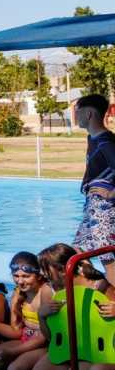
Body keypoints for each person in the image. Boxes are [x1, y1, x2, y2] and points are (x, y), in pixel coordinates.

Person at [24, 243, 108, 370]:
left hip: (91, 354)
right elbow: (51, 338)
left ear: (63, 269)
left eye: (47, 271)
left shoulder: (101, 287)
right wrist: (42, 315)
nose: (44, 276)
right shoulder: (55, 291)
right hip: (65, 349)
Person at [73, 94, 115, 279]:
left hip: (104, 209)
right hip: (92, 206)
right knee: (78, 251)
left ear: (89, 114)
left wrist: (112, 192)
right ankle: (100, 287)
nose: (75, 115)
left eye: (77, 111)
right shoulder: (93, 138)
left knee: (108, 260)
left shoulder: (106, 142)